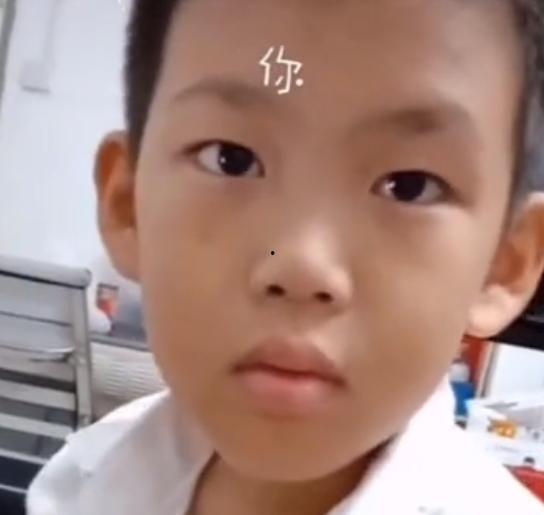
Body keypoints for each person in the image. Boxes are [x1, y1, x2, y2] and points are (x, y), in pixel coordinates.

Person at [26, 0, 544, 513]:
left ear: (505, 263)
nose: (301, 264)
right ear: (127, 205)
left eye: (410, 186)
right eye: (231, 159)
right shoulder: (80, 481)